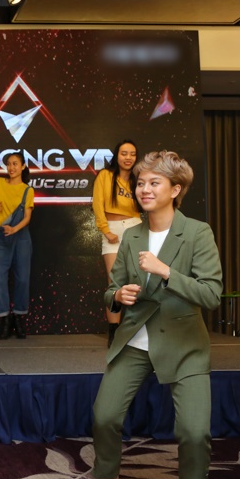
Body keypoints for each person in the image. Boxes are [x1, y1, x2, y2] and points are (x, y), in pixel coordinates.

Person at [72, 151, 222, 479]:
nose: (144, 189)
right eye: (140, 183)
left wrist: (166, 271)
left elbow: (211, 294)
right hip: (136, 340)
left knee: (194, 433)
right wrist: (118, 294)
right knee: (105, 416)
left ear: (176, 189)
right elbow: (111, 290)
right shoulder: (132, 235)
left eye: (154, 182)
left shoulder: (198, 233)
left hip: (185, 345)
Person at [93, 140, 141, 346]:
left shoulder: (139, 179)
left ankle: (136, 329)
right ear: (117, 155)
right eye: (124, 153)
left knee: (138, 281)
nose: (128, 157)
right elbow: (98, 204)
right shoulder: (105, 176)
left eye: (132, 154)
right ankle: (113, 331)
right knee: (115, 283)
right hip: (112, 231)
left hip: (135, 228)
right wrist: (105, 230)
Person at [0, 152, 34, 339]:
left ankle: (19, 318)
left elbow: (27, 218)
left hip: (20, 237)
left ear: (23, 166)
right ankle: (4, 319)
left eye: (15, 164)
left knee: (22, 279)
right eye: (9, 164)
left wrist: (14, 229)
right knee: (0, 279)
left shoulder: (27, 190)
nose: (11, 167)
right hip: (0, 237)